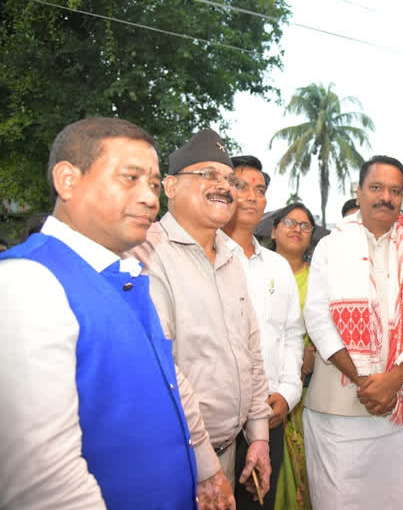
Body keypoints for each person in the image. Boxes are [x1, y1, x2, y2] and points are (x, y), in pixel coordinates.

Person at [0, 117, 197, 509]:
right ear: (68, 179)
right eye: (130, 178)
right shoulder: (28, 282)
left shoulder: (124, 279)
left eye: (155, 184)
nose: (150, 198)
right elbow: (46, 486)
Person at [131, 129, 271, 509]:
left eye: (229, 179)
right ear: (171, 186)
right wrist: (205, 466)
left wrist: (258, 434)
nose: (224, 186)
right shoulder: (146, 254)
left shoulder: (230, 256)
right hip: (176, 458)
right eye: (208, 174)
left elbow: (251, 350)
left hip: (227, 453)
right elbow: (162, 370)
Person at [303, 155, 403, 509]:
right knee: (339, 501)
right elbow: (318, 317)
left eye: (395, 190)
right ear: (358, 192)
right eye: (376, 187)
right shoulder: (330, 245)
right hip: (341, 406)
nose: (386, 197)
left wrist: (395, 378)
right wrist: (366, 381)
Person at [221, 155, 304, 510]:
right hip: (217, 422)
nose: (253, 197)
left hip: (269, 413)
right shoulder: (207, 257)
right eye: (242, 187)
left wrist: (287, 394)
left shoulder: (277, 266)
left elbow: (290, 335)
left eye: (260, 189)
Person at [271, 203, 317, 510]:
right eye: (290, 222)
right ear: (273, 230)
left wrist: (311, 352)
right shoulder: (255, 271)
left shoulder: (319, 279)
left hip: (307, 386)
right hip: (264, 381)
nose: (297, 229)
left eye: (305, 225)